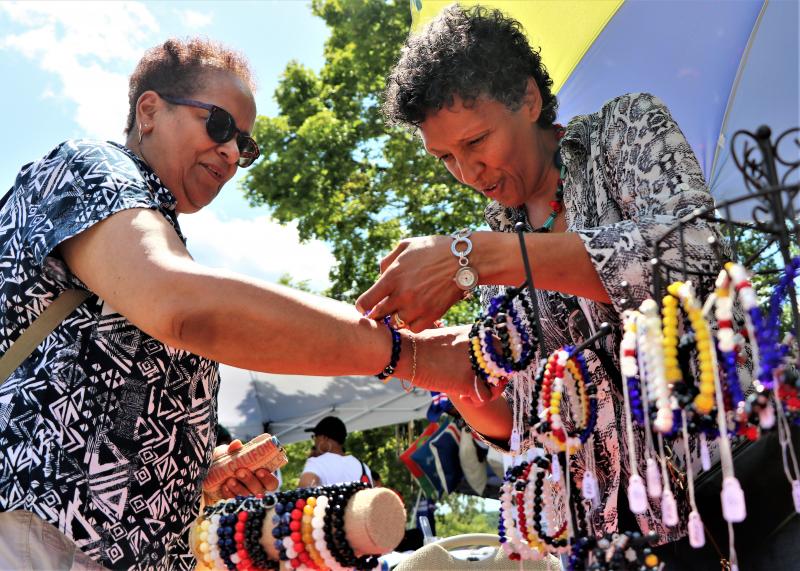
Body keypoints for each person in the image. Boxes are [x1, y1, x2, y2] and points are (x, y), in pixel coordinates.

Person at [0, 37, 476, 570]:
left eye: (244, 145)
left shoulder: (154, 230)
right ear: (150, 110)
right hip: (36, 533)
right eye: (220, 126)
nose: (231, 153)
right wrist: (407, 355)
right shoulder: (90, 167)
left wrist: (191, 473)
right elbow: (181, 305)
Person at [356, 4, 730, 566]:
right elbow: (516, 423)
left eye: (476, 141)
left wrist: (483, 256)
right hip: (601, 537)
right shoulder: (489, 249)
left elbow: (691, 256)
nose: (468, 173)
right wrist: (424, 362)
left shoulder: (624, 129)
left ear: (528, 99)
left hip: (720, 482)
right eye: (446, 158)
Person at [299, 416, 372, 487]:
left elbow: (305, 490)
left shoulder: (316, 463)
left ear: (325, 438)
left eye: (315, 437)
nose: (314, 441)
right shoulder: (362, 466)